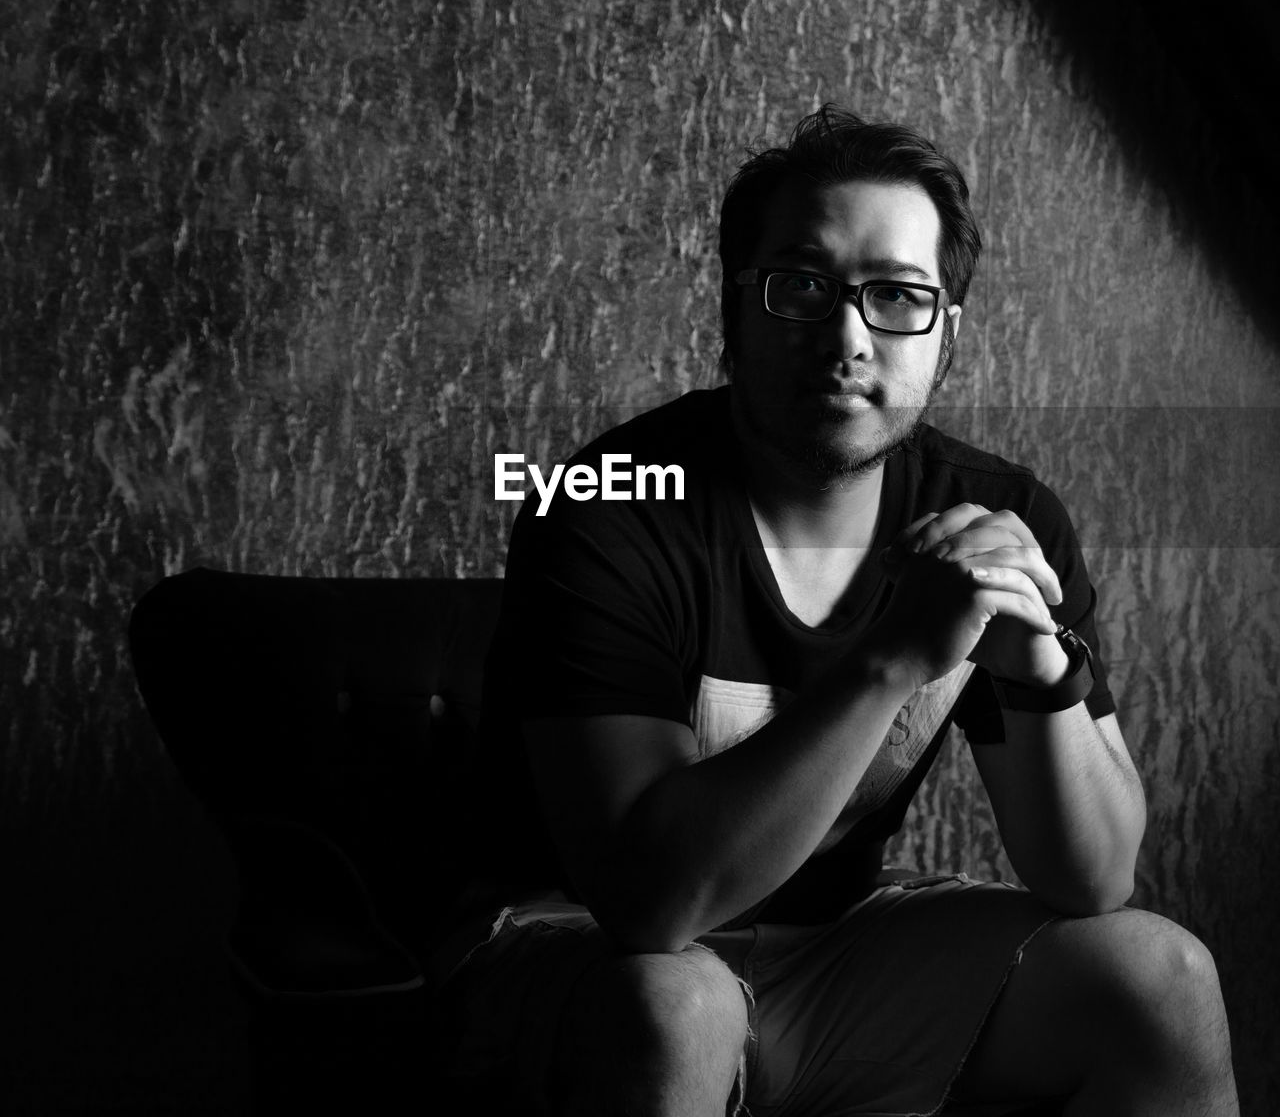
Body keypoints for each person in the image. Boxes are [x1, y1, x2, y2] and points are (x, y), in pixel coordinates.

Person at [433, 106, 1239, 1116]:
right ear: (733, 306)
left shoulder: (997, 516)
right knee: (674, 1004)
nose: (846, 337)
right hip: (577, 947)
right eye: (801, 287)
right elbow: (646, 900)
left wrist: (1042, 671)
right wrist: (889, 656)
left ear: (945, 330)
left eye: (896, 296)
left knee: (1157, 974)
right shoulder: (604, 505)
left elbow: (1092, 876)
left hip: (835, 944)